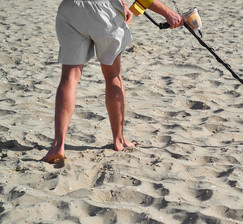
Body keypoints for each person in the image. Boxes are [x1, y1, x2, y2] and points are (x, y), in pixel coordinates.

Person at [43, 0, 183, 163]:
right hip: (103, 10)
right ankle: (119, 140)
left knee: (69, 77)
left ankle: (58, 145)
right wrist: (168, 13)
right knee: (112, 75)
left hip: (70, 8)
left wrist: (121, 3)